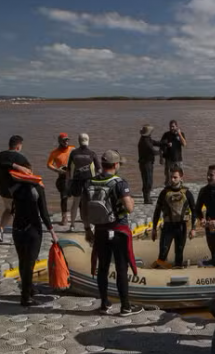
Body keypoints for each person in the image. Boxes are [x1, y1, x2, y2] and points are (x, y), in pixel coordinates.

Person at [84, 150, 143, 316]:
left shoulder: (90, 182)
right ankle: (125, 307)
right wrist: (130, 200)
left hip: (100, 231)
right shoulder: (120, 183)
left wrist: (88, 230)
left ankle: (104, 304)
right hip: (118, 231)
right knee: (121, 268)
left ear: (102, 164)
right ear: (116, 165)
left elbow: (84, 209)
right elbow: (129, 208)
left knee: (102, 268)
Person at [9, 161, 58, 306]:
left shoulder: (14, 188)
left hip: (17, 228)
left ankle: (28, 289)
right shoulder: (37, 188)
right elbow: (44, 213)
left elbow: (12, 209)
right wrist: (53, 232)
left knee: (22, 261)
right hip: (33, 230)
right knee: (30, 263)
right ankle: (26, 298)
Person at [151, 167, 197, 268]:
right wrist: (154, 229)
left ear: (181, 177)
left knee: (179, 254)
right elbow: (157, 211)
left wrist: (193, 228)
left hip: (181, 227)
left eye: (175, 177)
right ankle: (159, 274)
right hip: (168, 227)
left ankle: (178, 270)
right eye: (171, 177)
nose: (172, 180)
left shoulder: (187, 193)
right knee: (162, 254)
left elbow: (195, 211)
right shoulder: (164, 192)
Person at [0, 135, 32, 243]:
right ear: (18, 146)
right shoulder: (21, 158)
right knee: (19, 213)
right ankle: (18, 236)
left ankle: (0, 229)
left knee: (9, 210)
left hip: (3, 191)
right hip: (16, 191)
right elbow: (29, 174)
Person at [67, 133, 102, 232]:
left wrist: (68, 182)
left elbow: (69, 170)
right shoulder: (92, 153)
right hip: (89, 182)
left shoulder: (73, 153)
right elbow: (99, 169)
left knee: (75, 203)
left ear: (78, 141)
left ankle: (72, 225)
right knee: (89, 203)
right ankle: (90, 225)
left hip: (76, 181)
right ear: (88, 141)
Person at [46, 133, 74, 225]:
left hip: (73, 175)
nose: (66, 142)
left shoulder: (72, 149)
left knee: (79, 196)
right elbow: (49, 165)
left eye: (67, 140)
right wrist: (57, 170)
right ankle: (64, 218)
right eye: (64, 140)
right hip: (62, 176)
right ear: (59, 141)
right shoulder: (54, 153)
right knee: (64, 197)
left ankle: (82, 216)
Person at [138, 125, 161, 204]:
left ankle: (147, 197)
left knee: (147, 180)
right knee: (148, 181)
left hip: (146, 163)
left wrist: (163, 143)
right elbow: (153, 151)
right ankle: (147, 199)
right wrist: (161, 152)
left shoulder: (147, 139)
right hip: (146, 164)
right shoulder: (145, 142)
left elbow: (155, 142)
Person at [160, 120, 186, 186]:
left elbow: (184, 144)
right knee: (168, 177)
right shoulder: (166, 134)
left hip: (178, 160)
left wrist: (179, 134)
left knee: (179, 176)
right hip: (168, 160)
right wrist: (161, 158)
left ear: (176, 127)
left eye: (173, 126)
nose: (171, 128)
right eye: (170, 126)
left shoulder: (181, 134)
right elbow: (161, 145)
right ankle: (167, 191)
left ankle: (180, 190)